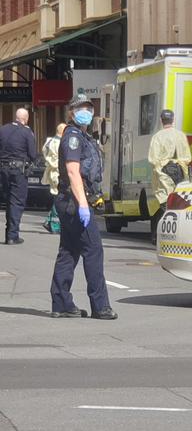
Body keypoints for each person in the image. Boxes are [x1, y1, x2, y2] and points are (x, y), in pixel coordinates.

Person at [50, 94, 117, 319]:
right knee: (93, 250)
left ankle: (61, 303)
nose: (86, 111)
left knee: (69, 251)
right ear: (71, 111)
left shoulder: (83, 135)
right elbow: (72, 171)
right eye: (81, 108)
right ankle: (101, 306)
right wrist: (83, 205)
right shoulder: (73, 137)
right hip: (74, 201)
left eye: (88, 107)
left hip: (71, 200)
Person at [148, 109, 191, 244]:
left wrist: (160, 168)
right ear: (173, 120)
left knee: (165, 203)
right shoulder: (181, 135)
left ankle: (161, 235)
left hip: (164, 171)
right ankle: (179, 235)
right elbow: (187, 156)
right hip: (180, 171)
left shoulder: (157, 137)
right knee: (179, 202)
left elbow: (153, 159)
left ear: (161, 120)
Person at [0, 108, 37, 244]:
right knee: (17, 202)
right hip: (18, 171)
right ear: (26, 119)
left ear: (16, 117)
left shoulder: (2, 129)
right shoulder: (27, 132)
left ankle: (9, 232)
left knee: (9, 200)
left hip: (3, 170)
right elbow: (33, 154)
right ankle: (12, 235)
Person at [41, 123, 67, 233]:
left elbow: (45, 154)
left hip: (52, 172)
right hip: (57, 173)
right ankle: (54, 224)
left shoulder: (49, 142)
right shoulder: (59, 143)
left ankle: (50, 222)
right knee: (59, 198)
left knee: (56, 197)